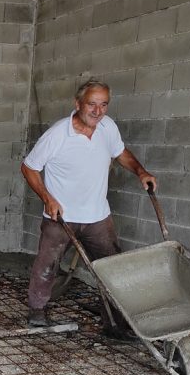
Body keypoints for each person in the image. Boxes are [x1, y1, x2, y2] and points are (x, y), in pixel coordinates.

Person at [21, 78, 157, 340]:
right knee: (47, 265)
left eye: (104, 104)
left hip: (98, 217)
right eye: (92, 104)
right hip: (60, 217)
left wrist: (141, 171)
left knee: (111, 270)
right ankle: (37, 311)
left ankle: (115, 325)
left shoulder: (108, 127)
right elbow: (29, 168)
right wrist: (47, 198)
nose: (98, 111)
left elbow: (120, 152)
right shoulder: (58, 135)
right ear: (78, 104)